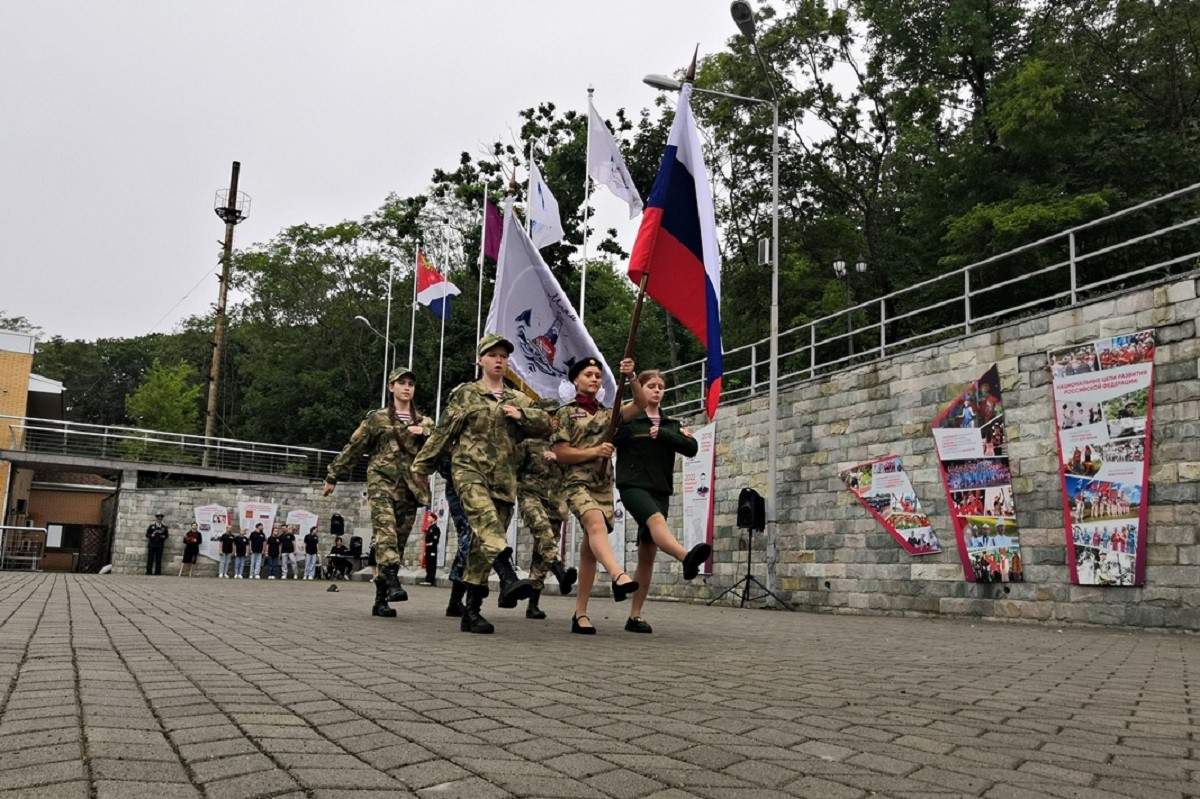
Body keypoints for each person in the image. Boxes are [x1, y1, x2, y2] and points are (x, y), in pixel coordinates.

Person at [411, 335, 553, 634]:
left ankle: (472, 611)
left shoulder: (517, 399)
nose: (499, 360)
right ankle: (508, 577)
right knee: (486, 522)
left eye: (503, 355)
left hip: (503, 479)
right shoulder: (466, 394)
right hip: (468, 470)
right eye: (493, 355)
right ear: (481, 360)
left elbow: (545, 424)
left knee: (482, 543)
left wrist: (522, 415)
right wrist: (421, 467)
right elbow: (442, 432)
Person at [325, 366, 433, 619]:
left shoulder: (425, 421)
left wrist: (425, 433)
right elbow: (354, 447)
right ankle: (393, 580)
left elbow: (441, 443)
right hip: (382, 482)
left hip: (410, 487)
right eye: (402, 382)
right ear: (391, 387)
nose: (407, 387)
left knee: (399, 541)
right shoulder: (377, 419)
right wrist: (333, 476)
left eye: (411, 384)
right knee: (385, 532)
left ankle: (381, 599)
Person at [614, 369, 711, 633]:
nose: (656, 390)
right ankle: (686, 557)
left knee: (648, 554)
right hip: (633, 485)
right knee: (656, 521)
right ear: (641, 389)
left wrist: (665, 434)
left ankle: (634, 616)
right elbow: (610, 436)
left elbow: (691, 448)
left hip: (660, 489)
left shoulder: (671, 424)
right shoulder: (629, 422)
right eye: (650, 386)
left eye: (660, 386)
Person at [552, 355, 642, 635]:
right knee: (595, 523)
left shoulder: (608, 412)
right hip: (576, 481)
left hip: (602, 483)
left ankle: (580, 613)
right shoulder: (565, 413)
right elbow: (560, 453)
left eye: (597, 375)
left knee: (590, 549)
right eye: (588, 374)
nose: (594, 378)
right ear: (576, 379)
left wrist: (632, 377)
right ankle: (618, 575)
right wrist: (594, 451)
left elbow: (640, 404)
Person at [515, 399, 578, 619]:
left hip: (554, 503)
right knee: (544, 533)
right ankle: (560, 570)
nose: (553, 420)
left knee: (541, 553)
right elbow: (514, 470)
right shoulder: (527, 443)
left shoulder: (562, 444)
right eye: (549, 415)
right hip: (530, 496)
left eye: (555, 416)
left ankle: (534, 603)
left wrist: (559, 456)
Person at [421, 513, 440, 586]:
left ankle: (430, 580)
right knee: (428, 565)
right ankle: (427, 579)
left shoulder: (435, 528)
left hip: (432, 549)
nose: (428, 519)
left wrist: (430, 544)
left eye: (429, 517)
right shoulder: (430, 528)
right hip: (428, 548)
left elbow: (435, 539)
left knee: (432, 564)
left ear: (434, 519)